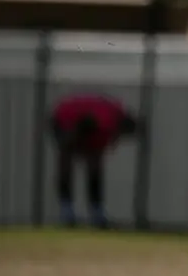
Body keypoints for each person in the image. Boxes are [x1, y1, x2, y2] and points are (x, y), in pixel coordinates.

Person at [50, 93, 141, 229]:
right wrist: (73, 140)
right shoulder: (106, 121)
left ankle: (96, 212)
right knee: (67, 162)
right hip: (64, 120)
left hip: (82, 122)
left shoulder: (115, 114)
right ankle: (68, 210)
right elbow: (85, 123)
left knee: (94, 167)